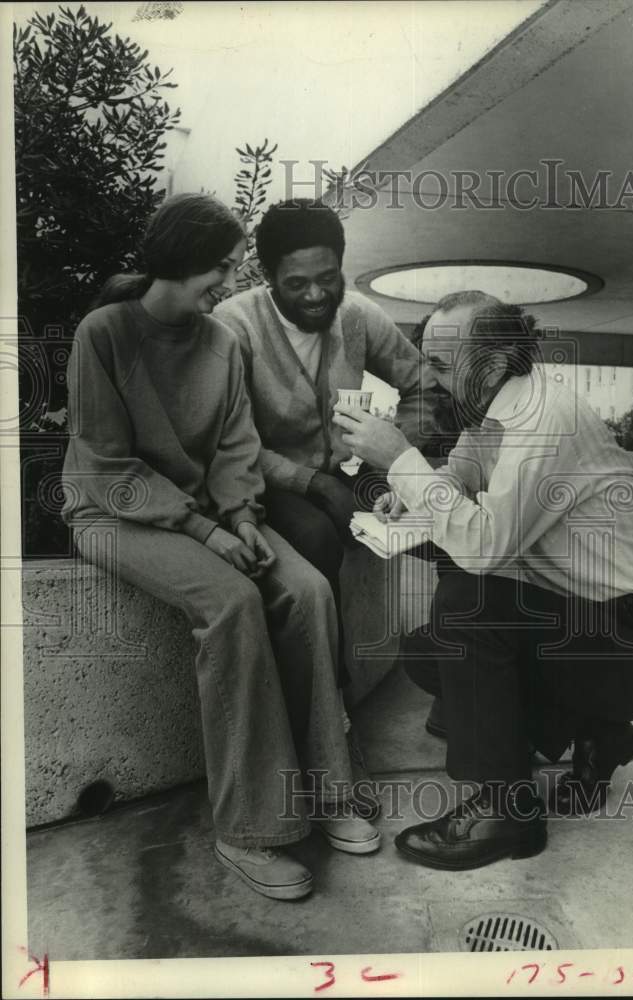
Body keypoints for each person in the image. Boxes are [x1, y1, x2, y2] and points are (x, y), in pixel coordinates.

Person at [61, 193, 380, 901]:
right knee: (233, 602)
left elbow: (236, 448)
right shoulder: (104, 333)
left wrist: (241, 517)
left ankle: (329, 790)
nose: (231, 283)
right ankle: (248, 830)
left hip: (206, 513)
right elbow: (107, 466)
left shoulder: (219, 343)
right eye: (224, 268)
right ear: (182, 261)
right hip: (114, 514)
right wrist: (206, 529)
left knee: (307, 590)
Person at [332, 290, 633, 871]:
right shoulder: (492, 409)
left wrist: (400, 459)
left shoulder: (545, 420)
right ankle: (599, 731)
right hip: (588, 621)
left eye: (443, 365)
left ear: (494, 362)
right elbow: (462, 474)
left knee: (468, 602)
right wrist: (409, 495)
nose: (433, 379)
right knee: (430, 655)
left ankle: (506, 813)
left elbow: (482, 548)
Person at [214, 198, 441, 787]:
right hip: (269, 479)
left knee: (441, 520)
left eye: (328, 277)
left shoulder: (360, 314)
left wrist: (389, 451)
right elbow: (228, 441)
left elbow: (425, 388)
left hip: (349, 470)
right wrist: (310, 482)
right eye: (297, 284)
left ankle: (459, 675)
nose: (316, 295)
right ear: (268, 277)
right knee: (317, 537)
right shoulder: (233, 326)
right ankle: (334, 718)